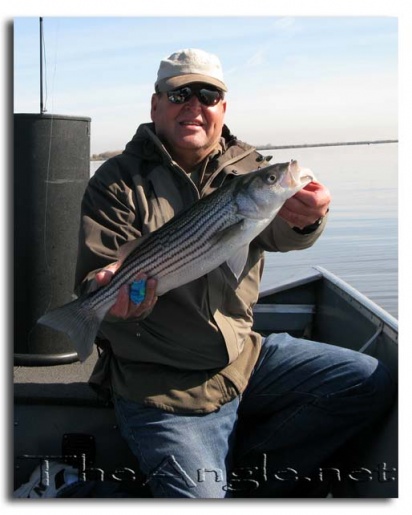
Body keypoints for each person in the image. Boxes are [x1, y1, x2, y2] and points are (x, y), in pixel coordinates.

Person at [75, 49, 396, 498]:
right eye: (179, 93)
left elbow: (280, 235)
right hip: (162, 385)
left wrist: (308, 219)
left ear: (223, 109)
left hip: (242, 360)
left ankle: (243, 477)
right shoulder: (116, 181)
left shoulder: (249, 170)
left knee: (369, 381)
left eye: (209, 95)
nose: (194, 105)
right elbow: (96, 271)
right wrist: (107, 301)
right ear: (155, 105)